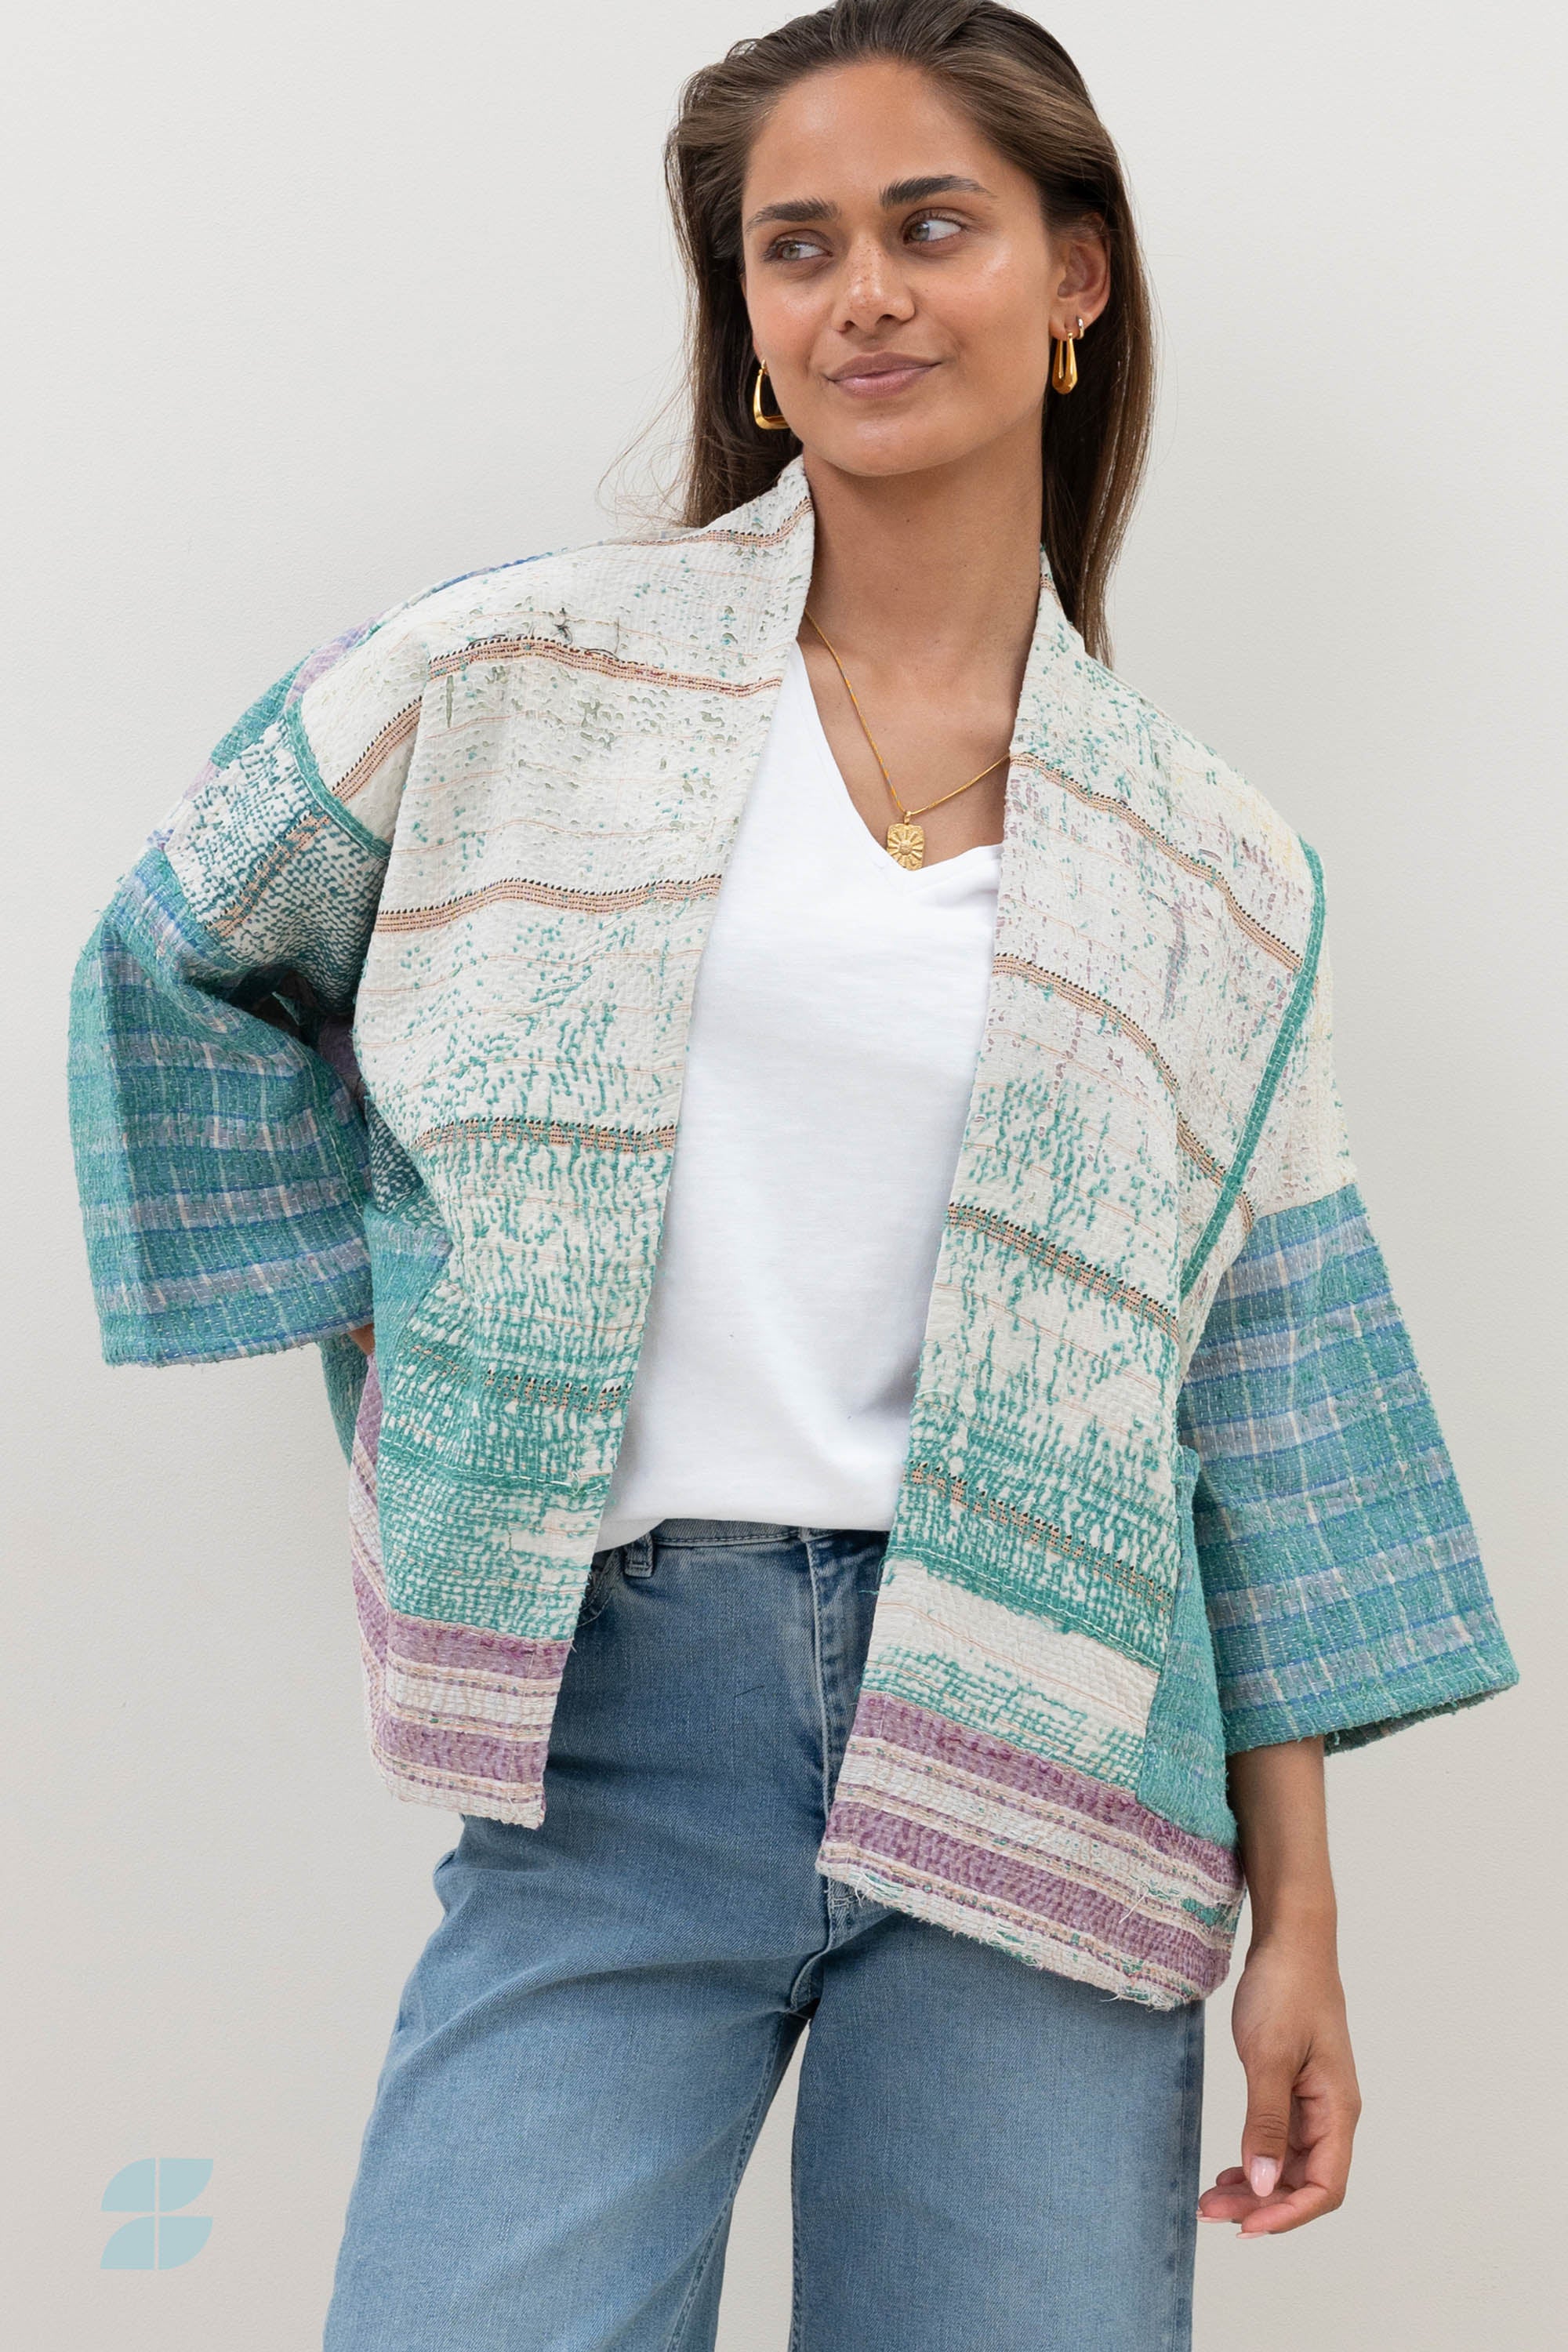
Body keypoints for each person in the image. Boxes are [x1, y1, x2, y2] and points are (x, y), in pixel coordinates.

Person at [67, 5, 1518, 2347]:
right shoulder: (517, 679)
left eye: (932, 228)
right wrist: (429, 1324)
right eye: (798, 247)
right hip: (615, 1735)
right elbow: (178, 954)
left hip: (1053, 1762)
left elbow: (1263, 1404)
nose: (864, 296)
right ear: (745, 318)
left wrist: (1306, 1927)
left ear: (1074, 277)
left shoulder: (1218, 866)